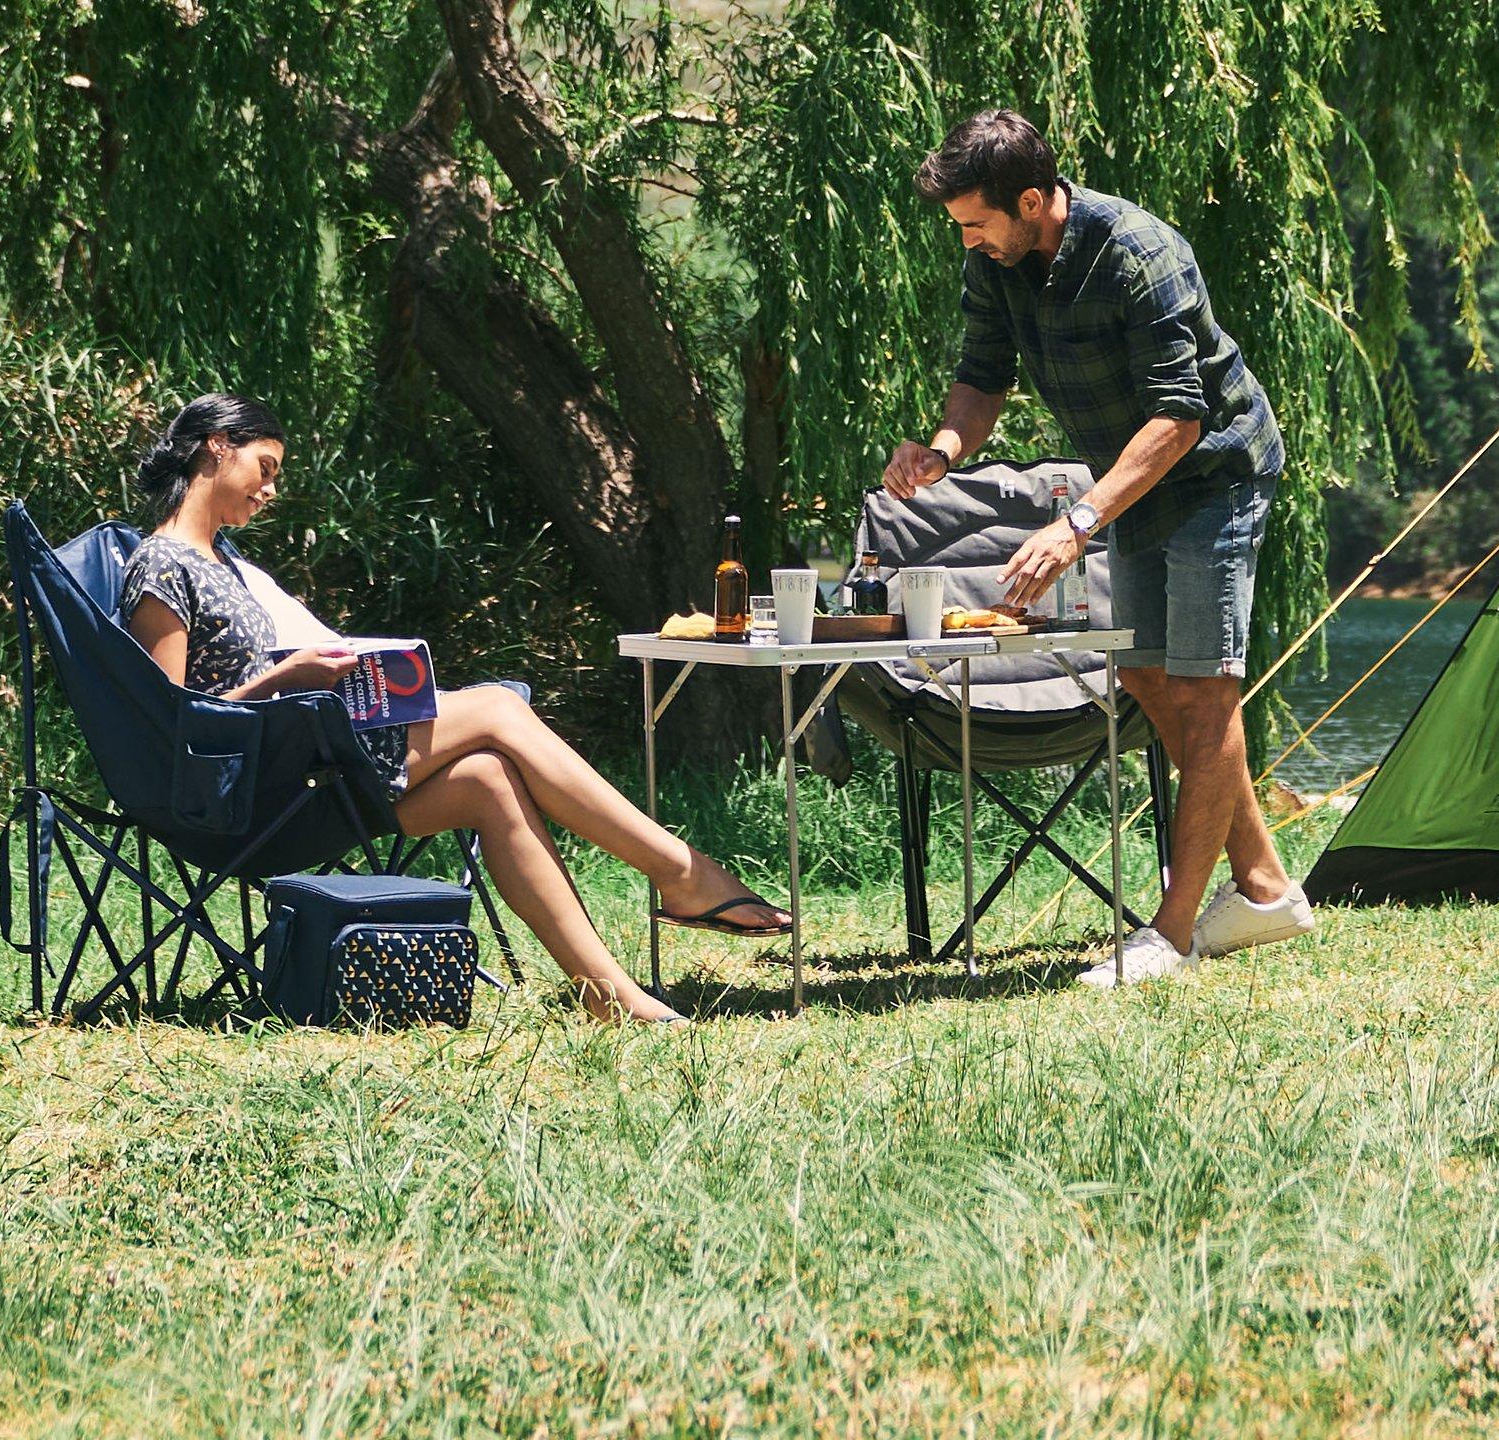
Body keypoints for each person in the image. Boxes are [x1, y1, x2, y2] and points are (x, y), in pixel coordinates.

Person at [116, 392, 784, 1029]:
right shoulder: (161, 566)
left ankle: (609, 994)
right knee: (495, 707)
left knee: (490, 779)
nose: (271, 490)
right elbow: (173, 726)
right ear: (215, 448)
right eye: (265, 469)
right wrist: (288, 676)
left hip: (305, 777)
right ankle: (682, 873)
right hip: (252, 799)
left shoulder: (224, 563)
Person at [882, 112, 1309, 985]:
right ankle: (1265, 890)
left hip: (1213, 470)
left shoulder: (1139, 252)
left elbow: (1181, 415)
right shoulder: (993, 261)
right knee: (1147, 676)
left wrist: (1077, 523)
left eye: (975, 221)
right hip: (1133, 477)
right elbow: (981, 377)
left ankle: (1172, 934)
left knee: (1203, 687)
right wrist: (944, 451)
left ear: (1032, 200)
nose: (965, 239)